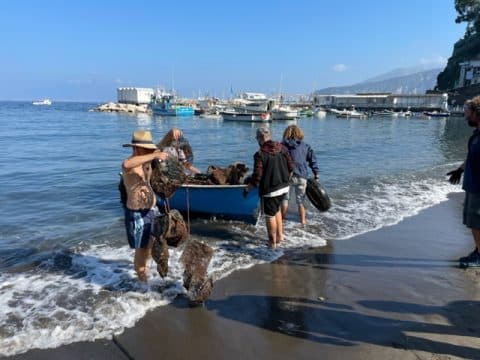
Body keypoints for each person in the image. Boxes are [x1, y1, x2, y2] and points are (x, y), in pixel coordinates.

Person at [122, 130, 168, 281]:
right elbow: (126, 163)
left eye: (150, 149)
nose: (150, 151)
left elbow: (161, 146)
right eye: (146, 149)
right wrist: (154, 155)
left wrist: (170, 134)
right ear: (136, 148)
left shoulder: (147, 161)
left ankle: (144, 271)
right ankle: (142, 284)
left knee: (150, 245)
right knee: (141, 250)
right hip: (137, 215)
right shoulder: (130, 164)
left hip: (151, 211)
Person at [244, 127, 293, 248]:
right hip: (285, 186)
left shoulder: (260, 154)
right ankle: (280, 237)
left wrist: (248, 188)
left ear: (260, 138)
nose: (257, 141)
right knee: (276, 211)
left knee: (270, 215)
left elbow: (258, 176)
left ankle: (272, 243)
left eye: (257, 138)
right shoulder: (283, 148)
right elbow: (291, 167)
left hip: (271, 190)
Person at [447, 95, 480, 268]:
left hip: (478, 188)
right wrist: (460, 169)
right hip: (473, 186)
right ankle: (478, 251)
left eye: (468, 112)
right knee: (474, 223)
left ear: (477, 113)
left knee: (476, 223)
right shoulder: (477, 134)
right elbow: (471, 156)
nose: (465, 115)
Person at [281, 125, 320, 225]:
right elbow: (313, 160)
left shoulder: (281, 146)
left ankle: (281, 221)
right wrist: (316, 174)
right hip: (302, 176)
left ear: (286, 133)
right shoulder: (305, 146)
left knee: (285, 199)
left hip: (287, 177)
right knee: (300, 201)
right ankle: (303, 222)